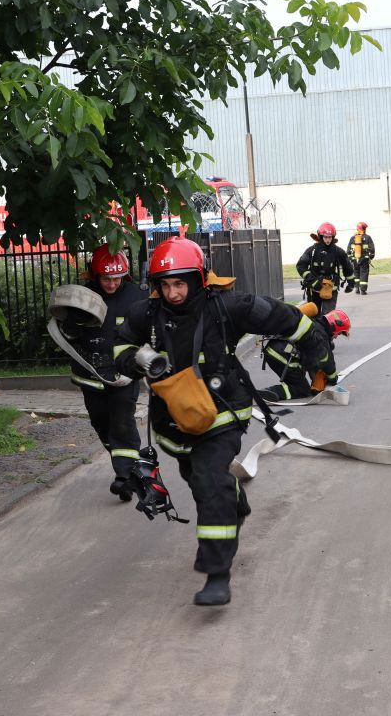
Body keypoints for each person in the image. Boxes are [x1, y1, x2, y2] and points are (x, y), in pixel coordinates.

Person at [114, 237, 328, 606]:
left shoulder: (227, 307)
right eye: (165, 285)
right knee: (199, 482)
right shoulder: (145, 315)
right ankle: (235, 501)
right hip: (176, 422)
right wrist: (137, 359)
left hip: (222, 412)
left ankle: (217, 573)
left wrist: (317, 348)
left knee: (211, 482)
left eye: (180, 283)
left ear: (197, 279)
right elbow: (119, 347)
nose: (173, 293)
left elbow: (285, 317)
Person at [57, 245, 148, 501]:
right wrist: (72, 322)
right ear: (95, 276)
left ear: (125, 276)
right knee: (101, 422)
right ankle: (128, 465)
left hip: (123, 373)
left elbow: (148, 332)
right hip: (90, 374)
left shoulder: (136, 297)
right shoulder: (81, 297)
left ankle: (125, 477)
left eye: (117, 278)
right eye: (107, 278)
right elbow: (68, 336)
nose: (111, 283)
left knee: (122, 420)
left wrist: (139, 366)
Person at [259, 308, 350, 402]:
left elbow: (313, 361)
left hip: (275, 352)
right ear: (335, 325)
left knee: (299, 380)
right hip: (282, 356)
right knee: (301, 389)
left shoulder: (314, 325)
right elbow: (327, 361)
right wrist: (332, 379)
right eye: (339, 333)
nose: (336, 336)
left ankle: (267, 393)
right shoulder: (320, 334)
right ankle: (269, 393)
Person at [295, 222, 356, 314]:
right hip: (314, 289)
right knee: (314, 315)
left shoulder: (338, 251)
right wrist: (313, 280)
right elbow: (300, 266)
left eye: (330, 237)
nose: (328, 240)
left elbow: (347, 267)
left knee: (328, 316)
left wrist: (351, 283)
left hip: (331, 288)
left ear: (333, 237)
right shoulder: (312, 250)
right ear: (320, 236)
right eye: (325, 237)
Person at [347, 222, 376, 295]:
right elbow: (372, 249)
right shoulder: (367, 237)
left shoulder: (353, 238)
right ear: (364, 229)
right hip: (364, 259)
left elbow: (348, 249)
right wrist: (371, 257)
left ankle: (357, 288)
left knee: (356, 273)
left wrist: (350, 258)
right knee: (364, 273)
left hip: (354, 259)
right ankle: (363, 290)